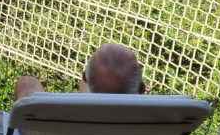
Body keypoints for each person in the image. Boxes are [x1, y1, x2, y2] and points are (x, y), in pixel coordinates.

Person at [14, 43, 144, 102]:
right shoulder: (151, 122)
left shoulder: (59, 117)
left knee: (27, 83)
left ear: (84, 79)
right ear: (141, 89)